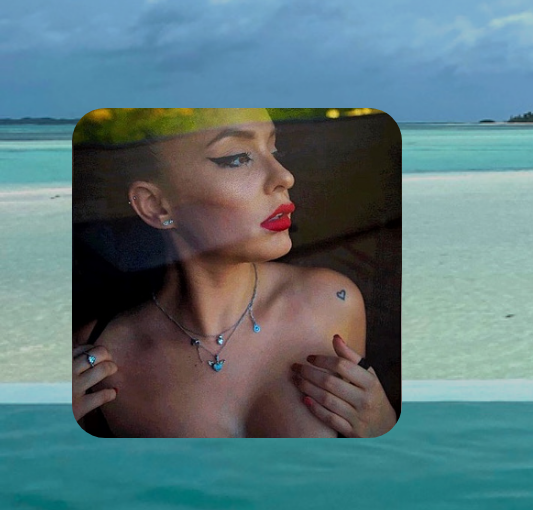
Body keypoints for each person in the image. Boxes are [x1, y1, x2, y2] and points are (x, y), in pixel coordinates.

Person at [72, 108, 397, 437]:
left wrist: (383, 428)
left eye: (274, 150)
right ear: (156, 205)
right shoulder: (99, 358)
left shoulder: (334, 303)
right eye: (237, 158)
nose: (284, 177)